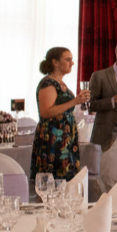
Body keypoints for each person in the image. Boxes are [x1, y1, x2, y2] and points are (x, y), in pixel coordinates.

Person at [31, 47, 89, 181]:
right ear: (55, 62)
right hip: (53, 139)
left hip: (65, 139)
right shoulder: (48, 83)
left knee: (68, 179)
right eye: (68, 59)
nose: (72, 63)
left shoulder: (60, 83)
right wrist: (75, 101)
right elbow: (46, 112)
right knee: (54, 180)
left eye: (71, 60)